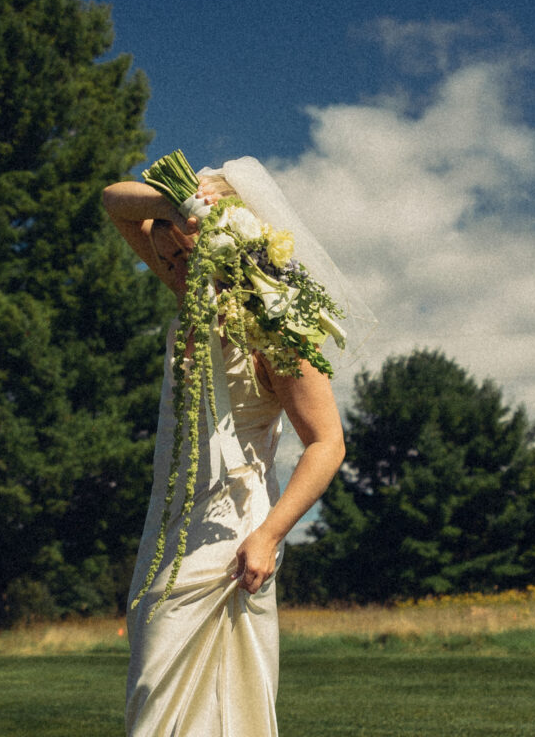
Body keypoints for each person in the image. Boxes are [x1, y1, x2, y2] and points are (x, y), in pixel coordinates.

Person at [102, 167, 346, 737]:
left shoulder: (279, 328)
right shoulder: (195, 300)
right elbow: (114, 201)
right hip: (165, 529)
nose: (169, 269)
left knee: (175, 709)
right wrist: (180, 198)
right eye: (165, 260)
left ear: (214, 245)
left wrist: (268, 536)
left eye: (180, 258)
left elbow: (327, 443)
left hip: (232, 535)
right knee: (150, 688)